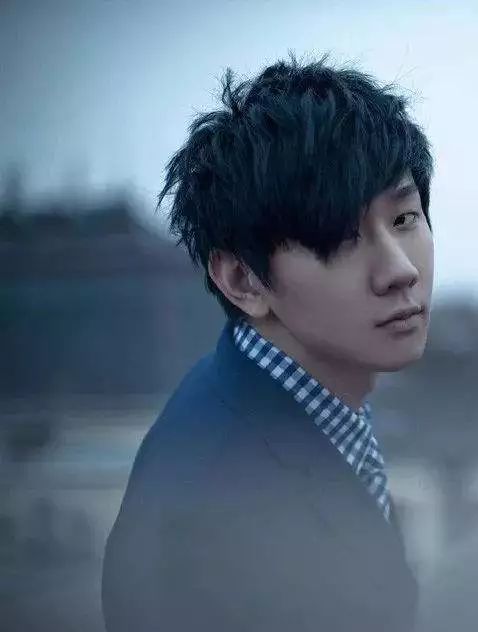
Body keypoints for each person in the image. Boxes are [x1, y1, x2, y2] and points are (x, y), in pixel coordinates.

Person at [101, 54, 434, 632]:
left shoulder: (300, 397)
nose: (400, 270)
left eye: (404, 219)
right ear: (243, 280)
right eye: (341, 238)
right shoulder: (221, 511)